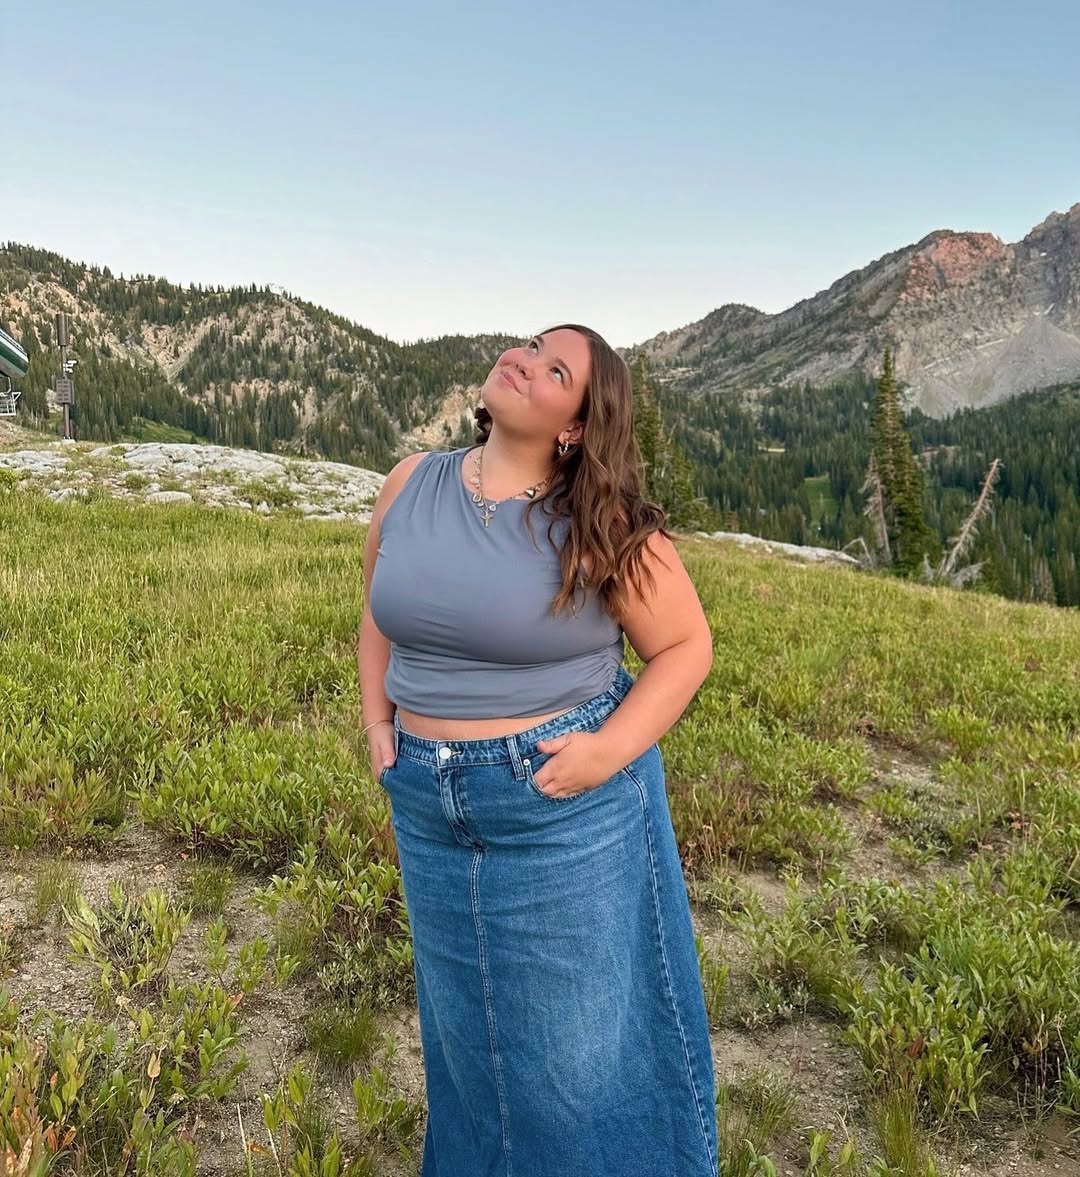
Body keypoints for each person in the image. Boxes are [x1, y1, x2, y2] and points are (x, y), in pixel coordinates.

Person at [359, 324, 719, 1177]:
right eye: (530, 344)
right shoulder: (412, 481)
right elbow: (380, 606)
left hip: (558, 804)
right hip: (426, 799)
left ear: (574, 427)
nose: (524, 359)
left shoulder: (599, 524)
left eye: (556, 369)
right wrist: (379, 719)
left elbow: (686, 648)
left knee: (581, 1064)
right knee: (467, 1044)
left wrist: (606, 752)